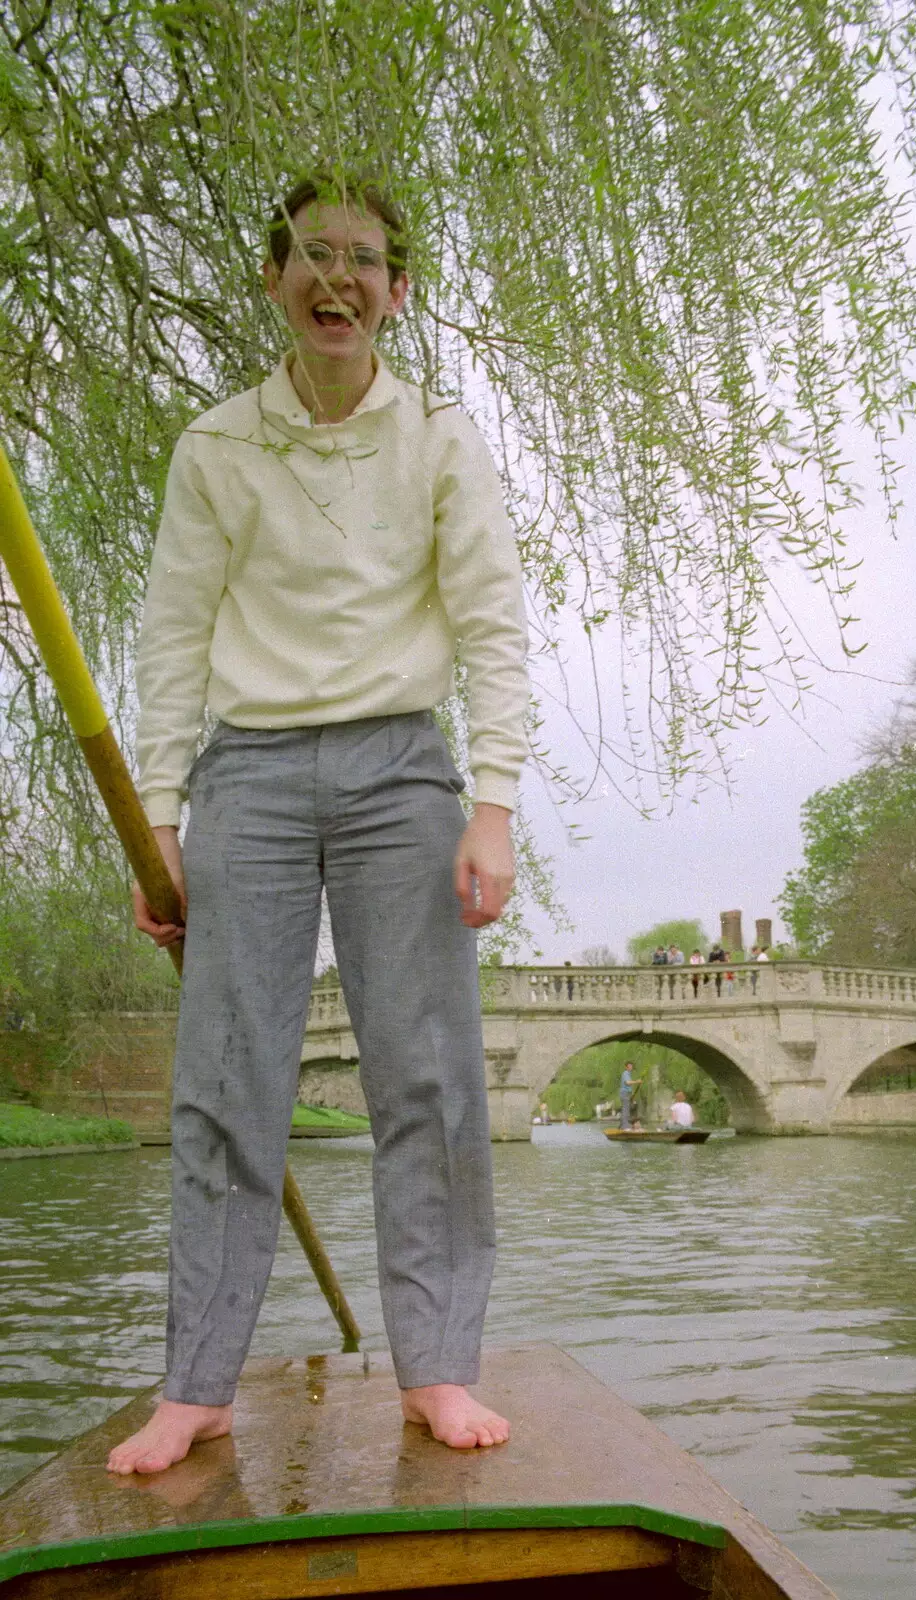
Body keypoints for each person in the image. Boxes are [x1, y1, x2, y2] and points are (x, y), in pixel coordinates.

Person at [108, 172, 528, 1475]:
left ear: (398, 291)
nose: (335, 279)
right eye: (310, 256)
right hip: (251, 777)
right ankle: (200, 1385)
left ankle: (439, 1367)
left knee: (430, 1080)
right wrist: (159, 817)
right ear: (274, 283)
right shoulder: (215, 448)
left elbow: (491, 624)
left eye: (361, 259)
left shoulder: (442, 441)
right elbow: (173, 637)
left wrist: (494, 807)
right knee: (227, 1085)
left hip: (405, 775)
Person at [619, 1062, 642, 1129]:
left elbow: (629, 1087)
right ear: (626, 1067)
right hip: (625, 1093)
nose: (630, 1067)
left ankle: (625, 1125)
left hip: (627, 1093)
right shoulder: (625, 1073)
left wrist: (632, 1097)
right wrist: (637, 1081)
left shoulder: (628, 1074)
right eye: (629, 1066)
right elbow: (627, 1083)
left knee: (627, 1110)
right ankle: (625, 1126)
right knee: (625, 1110)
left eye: (631, 1066)